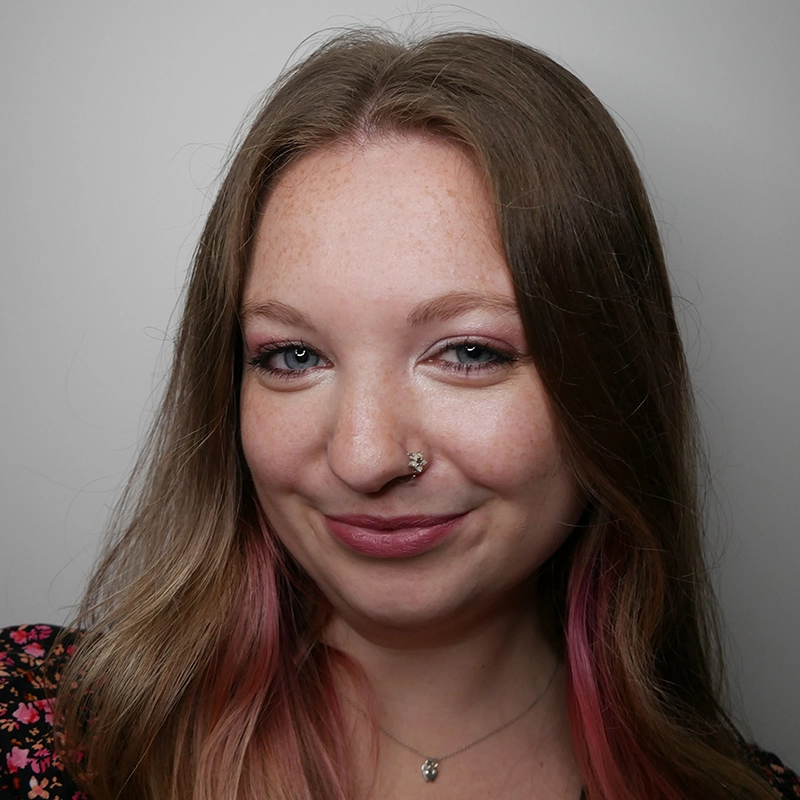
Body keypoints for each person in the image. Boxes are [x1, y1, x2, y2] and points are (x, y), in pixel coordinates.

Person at [1, 28, 797, 800]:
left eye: (469, 353)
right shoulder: (36, 729)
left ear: (608, 380)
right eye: (294, 357)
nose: (365, 456)